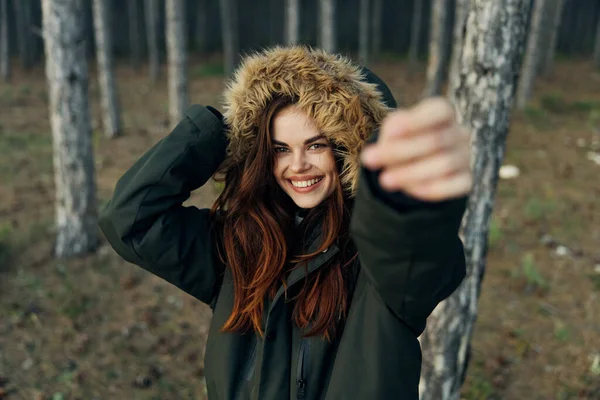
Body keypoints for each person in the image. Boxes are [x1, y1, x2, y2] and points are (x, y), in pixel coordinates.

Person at [99, 45, 472, 400]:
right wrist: (219, 132)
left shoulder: (378, 262)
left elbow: (414, 257)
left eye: (316, 145)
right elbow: (132, 219)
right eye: (280, 149)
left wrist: (401, 197)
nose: (297, 166)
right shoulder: (243, 245)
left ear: (348, 148)